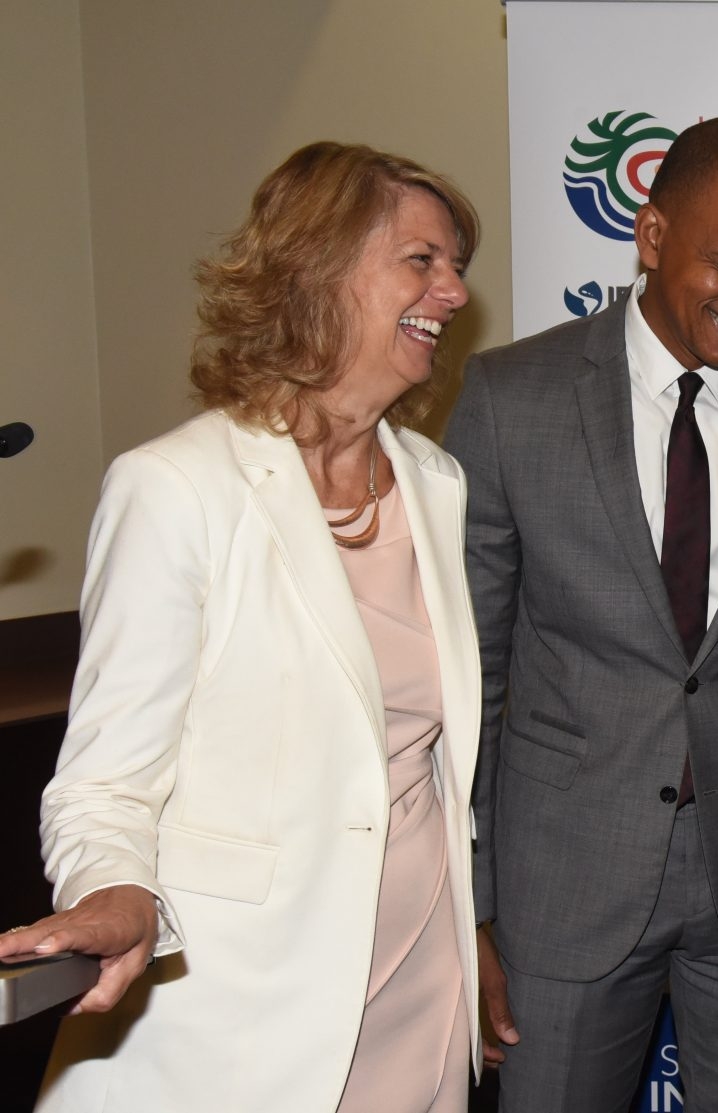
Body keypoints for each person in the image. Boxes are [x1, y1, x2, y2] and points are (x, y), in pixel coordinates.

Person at [0, 141, 485, 1111]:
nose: (456, 293)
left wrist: (474, 943)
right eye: (422, 260)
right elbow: (103, 780)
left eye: (457, 266)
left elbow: (430, 760)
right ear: (320, 268)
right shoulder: (178, 488)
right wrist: (110, 885)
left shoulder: (436, 484)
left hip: (420, 991)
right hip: (250, 1014)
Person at [444, 116, 718, 1113]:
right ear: (650, 235)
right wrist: (467, 908)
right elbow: (465, 672)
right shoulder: (512, 400)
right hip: (562, 883)